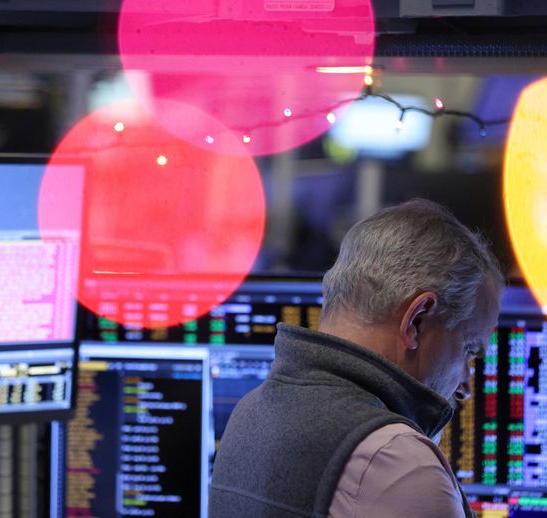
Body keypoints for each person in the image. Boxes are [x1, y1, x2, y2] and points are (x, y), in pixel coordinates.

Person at [209, 198, 503, 518]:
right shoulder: (397, 461)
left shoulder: (248, 412)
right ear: (417, 319)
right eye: (469, 349)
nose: (465, 385)